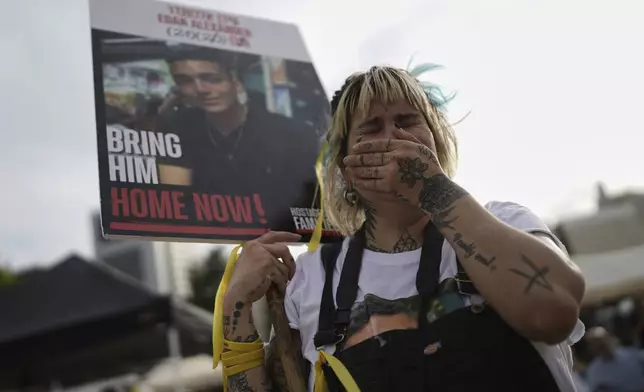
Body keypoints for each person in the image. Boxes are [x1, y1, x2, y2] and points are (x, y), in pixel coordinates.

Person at [217, 65, 587, 391]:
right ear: (344, 169)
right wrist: (236, 307)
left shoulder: (506, 222)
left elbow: (552, 313)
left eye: (408, 121)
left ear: (436, 141)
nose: (392, 137)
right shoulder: (315, 280)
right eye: (371, 128)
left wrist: (433, 188)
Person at [155, 46, 320, 225]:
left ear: (237, 82)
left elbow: (307, 205)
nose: (201, 89)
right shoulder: (177, 130)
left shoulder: (293, 133)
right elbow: (174, 204)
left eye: (212, 79)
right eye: (185, 81)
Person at [585, 326, 644, 391]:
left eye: (602, 341)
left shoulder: (633, 356)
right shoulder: (594, 370)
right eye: (596, 344)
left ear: (609, 338)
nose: (601, 345)